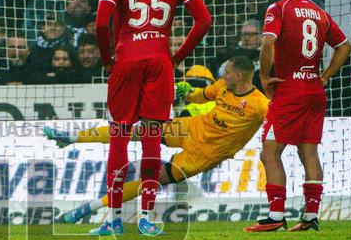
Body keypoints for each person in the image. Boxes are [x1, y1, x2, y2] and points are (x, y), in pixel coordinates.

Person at [91, 0, 211, 237]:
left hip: (126, 60)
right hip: (160, 62)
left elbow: (102, 24)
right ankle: (146, 217)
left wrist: (108, 60)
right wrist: (177, 56)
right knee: (152, 140)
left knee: (118, 137)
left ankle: (114, 218)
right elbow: (203, 20)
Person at [48, 56, 269, 224]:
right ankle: (72, 137)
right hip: (192, 127)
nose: (223, 76)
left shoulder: (260, 105)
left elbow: (275, 124)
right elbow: (202, 96)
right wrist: (187, 90)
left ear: (239, 77)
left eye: (227, 72)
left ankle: (88, 208)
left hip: (206, 153)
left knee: (152, 180)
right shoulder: (222, 86)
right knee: (137, 130)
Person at [246, 0, 350, 233]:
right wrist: (325, 76)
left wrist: (265, 77)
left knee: (270, 152)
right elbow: (344, 45)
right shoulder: (320, 13)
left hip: (289, 88)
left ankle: (276, 215)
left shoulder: (277, 8)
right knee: (309, 152)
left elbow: (268, 42)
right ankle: (311, 216)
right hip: (314, 88)